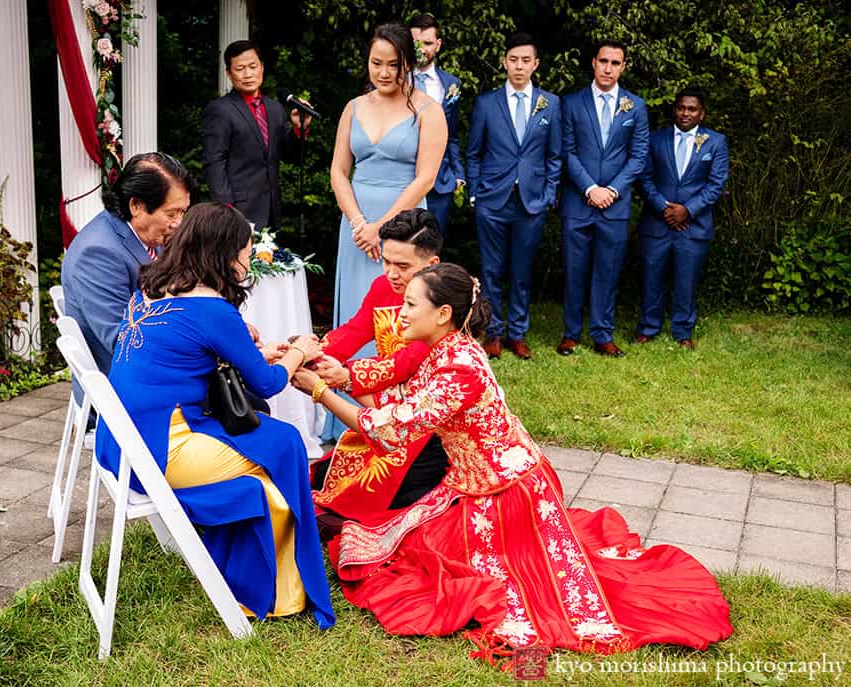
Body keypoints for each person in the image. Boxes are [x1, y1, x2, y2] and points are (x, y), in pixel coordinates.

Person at [292, 262, 732, 666]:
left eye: (410, 303)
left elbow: (390, 429)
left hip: (506, 491)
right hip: (471, 482)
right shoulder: (443, 346)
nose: (401, 313)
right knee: (413, 548)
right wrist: (342, 374)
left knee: (478, 581)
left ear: (443, 312)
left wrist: (320, 391)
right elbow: (395, 379)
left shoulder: (459, 367)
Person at [94, 202, 334, 627]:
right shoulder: (213, 309)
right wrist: (301, 351)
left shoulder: (149, 287)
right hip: (161, 451)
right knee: (285, 444)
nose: (247, 258)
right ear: (224, 254)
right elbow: (268, 385)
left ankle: (255, 570)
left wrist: (256, 354)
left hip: (121, 443)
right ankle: (275, 588)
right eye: (245, 250)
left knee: (272, 448)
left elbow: (178, 357)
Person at [312, 208, 447, 523]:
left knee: (391, 502)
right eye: (386, 262)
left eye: (403, 266)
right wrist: (312, 351)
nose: (391, 274)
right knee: (325, 481)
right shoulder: (383, 289)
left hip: (428, 427)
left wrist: (345, 376)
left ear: (432, 265)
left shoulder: (446, 304)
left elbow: (408, 361)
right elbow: (354, 331)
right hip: (388, 412)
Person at [330, 22, 448, 335]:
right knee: (357, 308)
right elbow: (339, 173)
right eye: (376, 63)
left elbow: (426, 178)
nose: (384, 73)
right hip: (356, 224)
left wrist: (380, 228)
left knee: (398, 307)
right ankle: (347, 380)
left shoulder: (429, 110)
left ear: (407, 64)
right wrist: (359, 225)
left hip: (404, 222)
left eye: (393, 65)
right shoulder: (353, 108)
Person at [466, 32, 562, 360]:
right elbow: (474, 153)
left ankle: (518, 333)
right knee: (491, 270)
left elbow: (554, 156)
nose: (519, 66)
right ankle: (493, 332)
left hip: (532, 201)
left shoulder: (551, 103)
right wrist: (476, 193)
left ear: (535, 64)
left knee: (522, 271)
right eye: (513, 59)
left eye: (525, 60)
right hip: (492, 200)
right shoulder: (486, 103)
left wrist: (549, 193)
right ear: (504, 61)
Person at [61, 152, 193, 378]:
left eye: (183, 212)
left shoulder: (146, 233)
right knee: (247, 403)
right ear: (136, 206)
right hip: (129, 381)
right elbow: (123, 341)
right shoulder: (98, 254)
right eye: (171, 213)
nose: (179, 223)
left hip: (154, 362)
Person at [559, 40, 649, 357]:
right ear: (593, 63)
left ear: (623, 66)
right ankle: (570, 333)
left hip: (615, 203)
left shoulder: (635, 106)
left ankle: (602, 333)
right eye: (604, 61)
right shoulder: (570, 103)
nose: (608, 68)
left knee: (607, 272)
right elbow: (566, 151)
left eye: (615, 63)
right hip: (578, 202)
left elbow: (638, 157)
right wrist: (589, 189)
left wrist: (611, 190)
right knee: (574, 269)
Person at [636, 87, 729, 349]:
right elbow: (643, 178)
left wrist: (687, 210)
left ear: (702, 114)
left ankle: (682, 330)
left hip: (693, 225)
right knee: (652, 277)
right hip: (657, 222)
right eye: (681, 108)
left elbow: (716, 184)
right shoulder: (656, 139)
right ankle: (648, 327)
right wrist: (662, 207)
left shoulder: (716, 142)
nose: (685, 113)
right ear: (674, 109)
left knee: (686, 280)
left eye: (692, 109)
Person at [202, 40, 310, 230]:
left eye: (253, 66)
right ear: (228, 73)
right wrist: (226, 209)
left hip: (271, 209)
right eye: (240, 68)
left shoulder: (275, 108)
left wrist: (299, 129)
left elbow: (289, 155)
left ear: (262, 67)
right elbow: (214, 160)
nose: (248, 74)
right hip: (236, 210)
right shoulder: (220, 110)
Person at [408, 13, 465, 235]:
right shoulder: (394, 80)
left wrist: (458, 174)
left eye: (428, 43)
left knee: (431, 248)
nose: (421, 49)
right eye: (415, 43)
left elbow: (452, 133)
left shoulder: (451, 84)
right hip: (401, 178)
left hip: (440, 182)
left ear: (438, 45)